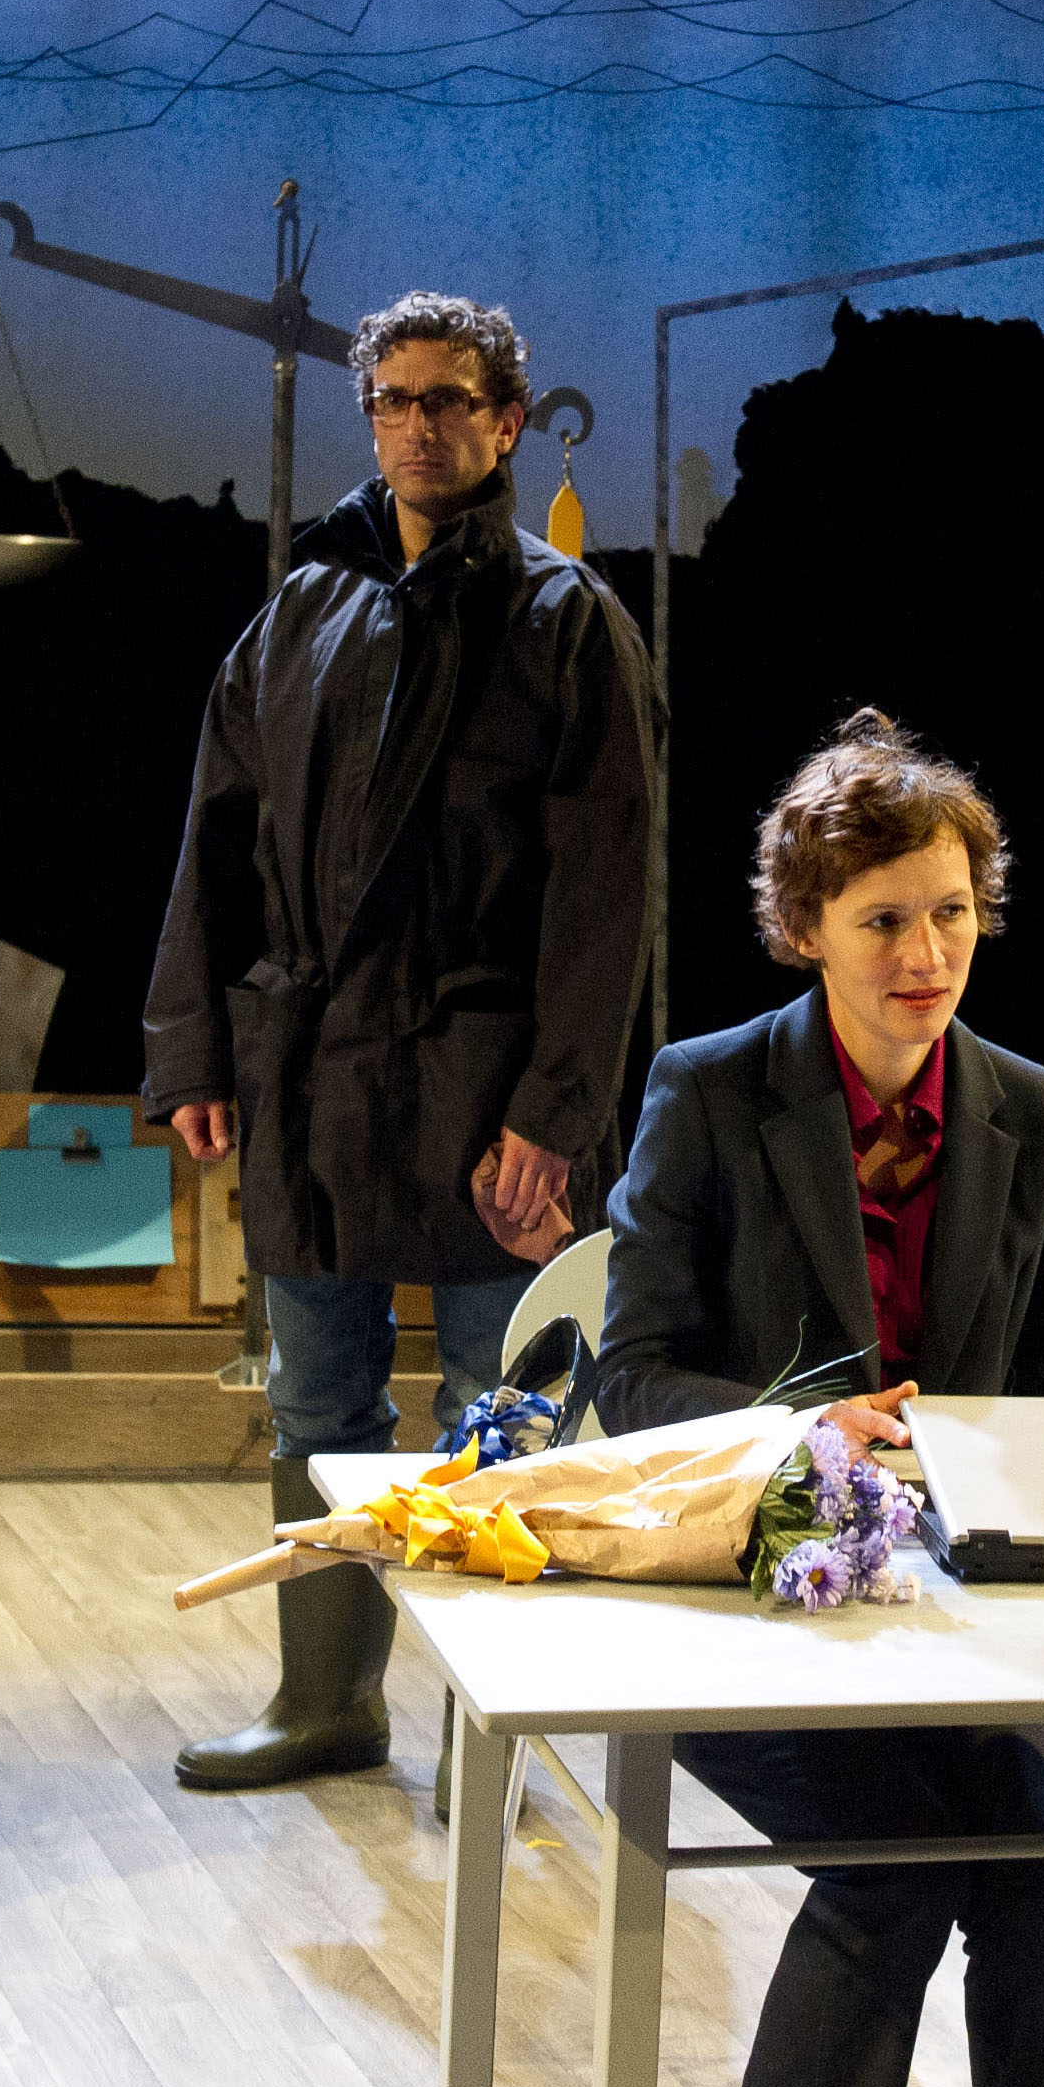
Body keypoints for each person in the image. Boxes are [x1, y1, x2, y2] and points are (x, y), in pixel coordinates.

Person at [590, 711, 1044, 2087]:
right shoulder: (707, 1091)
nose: (925, 949)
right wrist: (814, 1431)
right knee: (894, 1869)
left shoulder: (1033, 1112)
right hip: (748, 1578)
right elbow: (626, 1380)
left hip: (939, 1603)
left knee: (1036, 1887)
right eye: (883, 917)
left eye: (951, 911)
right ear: (803, 927)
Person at [141, 290, 656, 1790]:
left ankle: (513, 1727)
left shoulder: (568, 624)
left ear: (506, 421)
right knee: (318, 1399)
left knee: (504, 1415)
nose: (418, 425)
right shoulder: (303, 609)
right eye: (394, 400)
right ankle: (327, 1700)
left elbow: (605, 891)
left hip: (486, 1074)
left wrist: (554, 1112)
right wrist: (192, 1050)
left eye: (450, 400)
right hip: (312, 1070)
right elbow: (215, 838)